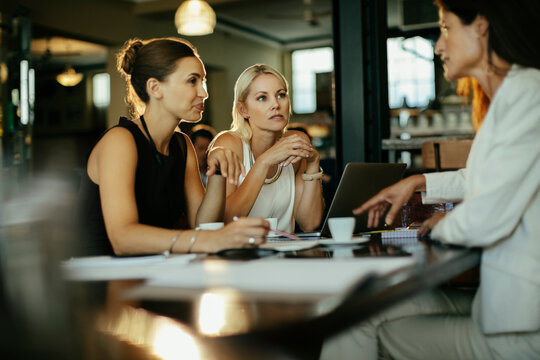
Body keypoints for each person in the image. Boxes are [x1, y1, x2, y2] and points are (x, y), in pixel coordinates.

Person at [321, 0, 540, 358]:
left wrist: (439, 224)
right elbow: (495, 177)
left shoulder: (528, 92)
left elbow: (485, 219)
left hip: (518, 329)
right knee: (360, 307)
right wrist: (419, 183)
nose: (439, 44)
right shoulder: (516, 93)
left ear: (481, 25)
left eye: (446, 27)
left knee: (351, 319)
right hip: (504, 305)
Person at [77, 37, 268, 256]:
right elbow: (123, 239)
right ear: (155, 88)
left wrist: (216, 173)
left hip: (151, 271)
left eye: (203, 81)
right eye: (192, 81)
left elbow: (202, 223)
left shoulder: (182, 144)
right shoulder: (120, 141)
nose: (204, 92)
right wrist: (207, 239)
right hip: (99, 276)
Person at [211, 64, 324, 233]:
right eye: (262, 98)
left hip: (284, 255)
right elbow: (225, 221)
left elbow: (310, 223)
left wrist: (313, 162)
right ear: (243, 110)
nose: (276, 104)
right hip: (241, 255)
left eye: (281, 95)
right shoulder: (229, 143)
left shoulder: (296, 142)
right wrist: (264, 161)